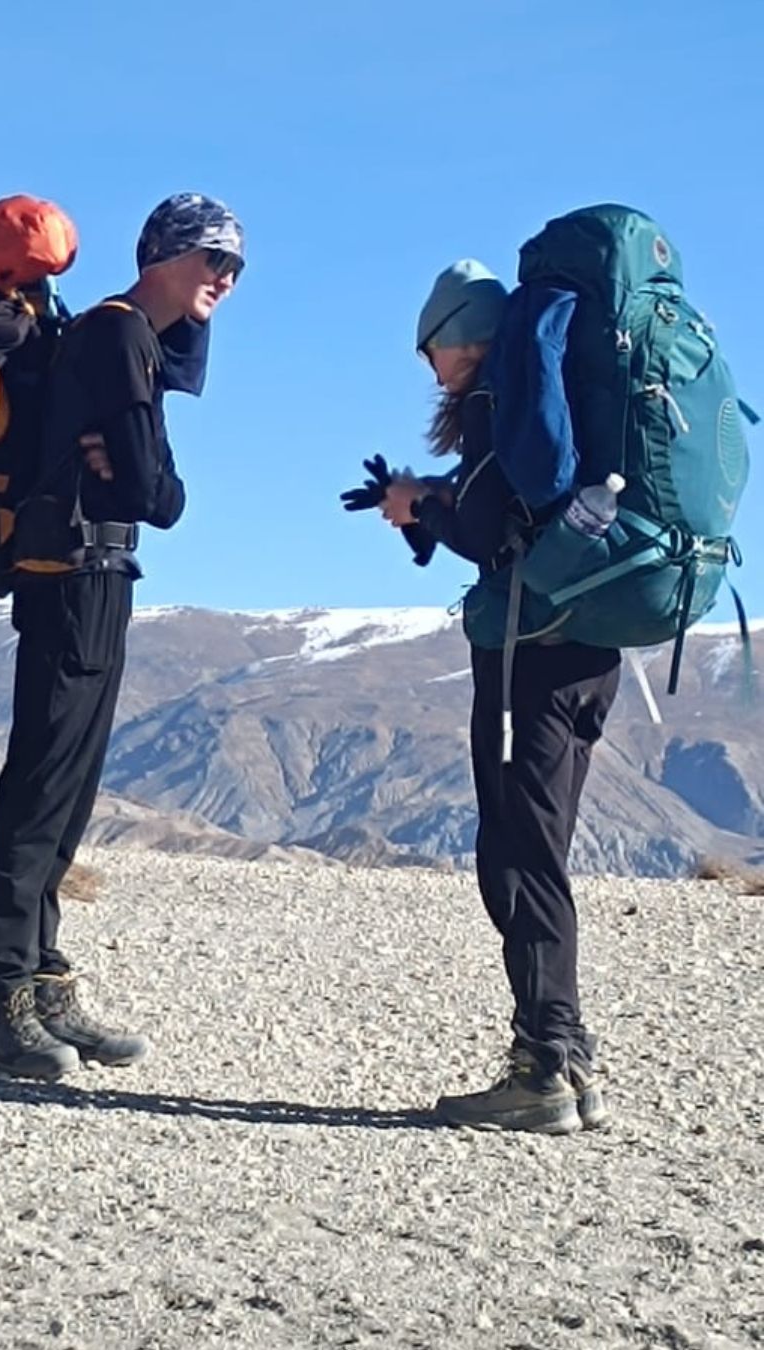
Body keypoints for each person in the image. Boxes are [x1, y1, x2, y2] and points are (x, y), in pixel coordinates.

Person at [0, 192, 245, 1079]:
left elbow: (139, 480)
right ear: (163, 255)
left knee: (69, 788)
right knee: (42, 785)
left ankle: (45, 982)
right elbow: (151, 493)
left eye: (234, 268)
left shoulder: (129, 341)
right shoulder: (118, 335)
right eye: (213, 261)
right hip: (71, 577)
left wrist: (144, 480)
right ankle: (4, 999)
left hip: (91, 575)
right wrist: (155, 485)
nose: (225, 281)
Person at [345, 260, 620, 1135]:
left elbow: (489, 526)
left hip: (525, 660)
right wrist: (424, 503)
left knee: (518, 852)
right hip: (588, 651)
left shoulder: (506, 405)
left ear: (462, 338)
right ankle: (567, 1063)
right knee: (541, 845)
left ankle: (545, 1064)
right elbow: (507, 519)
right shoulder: (562, 400)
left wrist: (426, 511)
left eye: (433, 349)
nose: (432, 368)